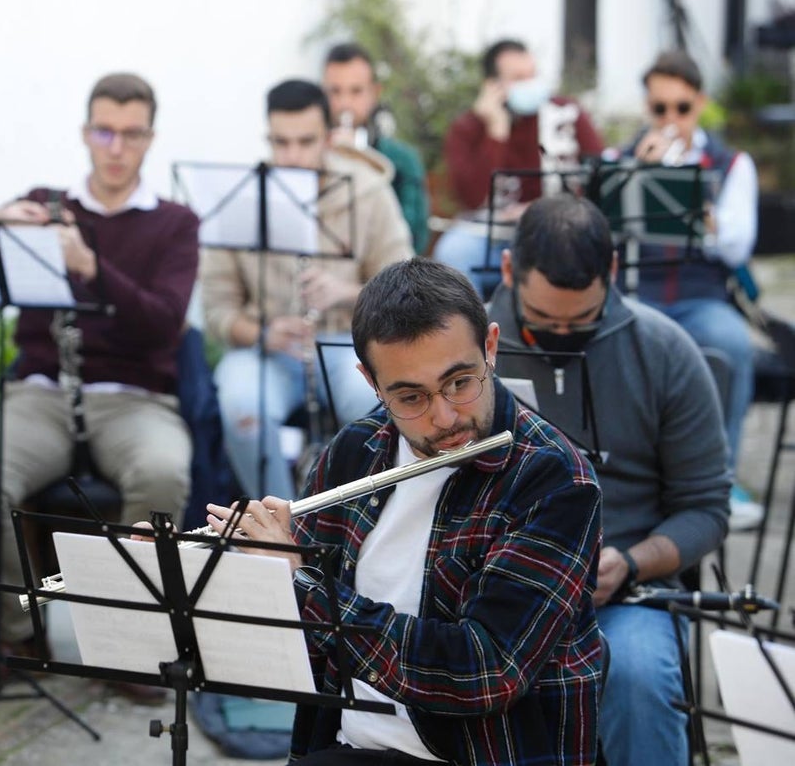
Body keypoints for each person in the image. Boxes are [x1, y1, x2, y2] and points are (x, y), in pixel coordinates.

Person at [208, 258, 604, 765]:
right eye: (411, 396)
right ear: (371, 382)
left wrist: (305, 586)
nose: (444, 417)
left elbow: (486, 671)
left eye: (460, 382)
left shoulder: (553, 480)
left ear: (490, 347)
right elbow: (301, 653)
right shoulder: (353, 452)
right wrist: (208, 573)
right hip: (353, 745)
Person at [0, 72, 199, 700]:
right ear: (86, 133)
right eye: (104, 131)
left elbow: (163, 323)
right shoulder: (46, 203)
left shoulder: (175, 223)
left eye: (131, 134)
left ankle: (130, 646)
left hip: (134, 397)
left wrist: (91, 267)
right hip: (42, 392)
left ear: (151, 138)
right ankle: (19, 634)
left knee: (164, 474)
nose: (116, 147)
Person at [487, 195, 729, 766]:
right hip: (492, 586)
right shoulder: (469, 351)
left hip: (623, 592)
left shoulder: (666, 350)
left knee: (640, 675)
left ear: (613, 272)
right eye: (544, 324)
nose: (563, 336)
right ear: (506, 271)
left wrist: (633, 562)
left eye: (582, 322)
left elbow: (707, 508)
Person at [201, 78, 412, 501]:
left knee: (375, 402)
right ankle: (281, 529)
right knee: (241, 403)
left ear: (329, 138)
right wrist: (263, 333)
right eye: (280, 142)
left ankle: (353, 522)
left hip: (349, 344)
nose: (292, 156)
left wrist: (348, 291)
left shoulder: (367, 191)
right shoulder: (243, 199)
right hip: (271, 351)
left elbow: (407, 284)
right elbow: (216, 310)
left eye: (304, 142)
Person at [618, 49, 761, 530]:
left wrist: (691, 199)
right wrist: (635, 178)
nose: (670, 120)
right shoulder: (621, 158)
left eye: (681, 108)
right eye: (660, 109)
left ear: (699, 103)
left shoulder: (731, 163)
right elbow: (600, 235)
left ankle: (719, 481)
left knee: (733, 343)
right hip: (637, 294)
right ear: (648, 109)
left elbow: (738, 245)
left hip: (701, 299)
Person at [434, 38, 604, 298]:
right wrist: (496, 132)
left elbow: (600, 177)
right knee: (453, 251)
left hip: (558, 231)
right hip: (494, 236)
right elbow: (472, 197)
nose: (530, 85)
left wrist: (543, 210)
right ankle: (474, 335)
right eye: (519, 78)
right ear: (492, 86)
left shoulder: (567, 115)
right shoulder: (468, 128)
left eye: (532, 75)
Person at [323, 42, 431, 253]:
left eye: (356, 91)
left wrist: (360, 159)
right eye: (335, 92)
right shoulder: (308, 154)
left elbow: (415, 236)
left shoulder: (402, 160)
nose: (344, 103)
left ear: (375, 93)